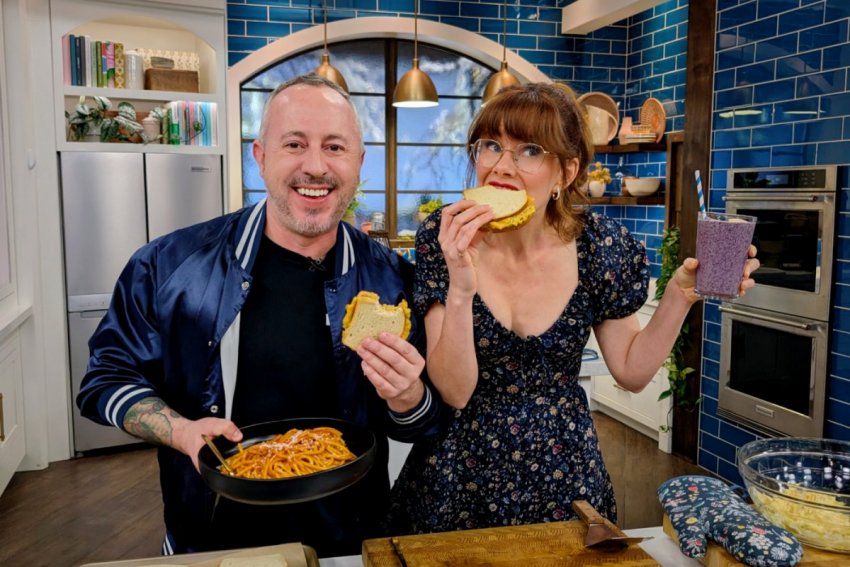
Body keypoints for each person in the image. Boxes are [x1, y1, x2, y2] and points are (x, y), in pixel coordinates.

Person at [77, 73, 441, 558]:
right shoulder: (167, 265)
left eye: (334, 147)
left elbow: (422, 424)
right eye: (295, 144)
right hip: (210, 537)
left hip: (350, 540)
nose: (316, 166)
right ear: (261, 156)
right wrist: (180, 431)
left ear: (358, 163)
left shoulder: (397, 284)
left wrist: (408, 396)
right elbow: (104, 380)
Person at [388, 82, 759, 534]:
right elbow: (455, 392)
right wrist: (462, 287)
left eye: (529, 151)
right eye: (490, 145)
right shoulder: (445, 235)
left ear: (566, 171)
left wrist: (682, 292)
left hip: (564, 474)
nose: (501, 167)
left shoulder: (600, 246)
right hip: (454, 474)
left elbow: (632, 371)